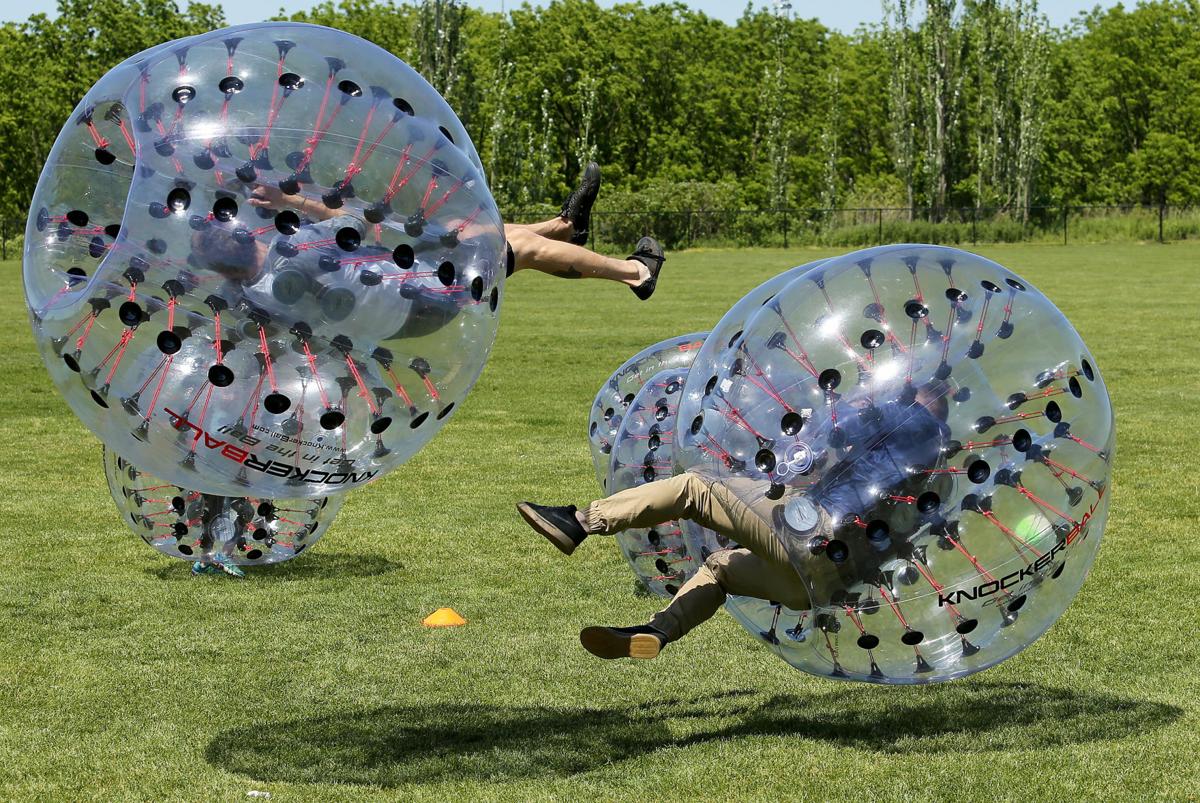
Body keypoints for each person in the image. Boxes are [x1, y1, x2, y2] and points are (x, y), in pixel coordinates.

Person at [516, 381, 952, 660]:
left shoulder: (912, 418)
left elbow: (835, 428)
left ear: (923, 400)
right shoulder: (939, 476)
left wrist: (853, 403)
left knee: (697, 488)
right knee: (720, 569)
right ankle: (655, 632)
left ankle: (581, 521)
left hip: (810, 532)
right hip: (821, 585)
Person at [195, 162, 666, 300]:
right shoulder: (296, 251)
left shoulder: (255, 291)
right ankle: (636, 274)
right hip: (421, 296)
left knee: (465, 232)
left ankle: (565, 228)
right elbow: (357, 222)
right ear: (248, 237)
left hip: (396, 296)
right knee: (515, 246)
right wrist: (290, 201)